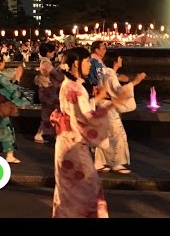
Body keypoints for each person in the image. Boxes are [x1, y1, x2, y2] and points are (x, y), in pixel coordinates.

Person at [52, 47, 125, 218]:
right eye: (86, 61)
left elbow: (77, 110)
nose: (89, 65)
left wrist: (99, 98)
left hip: (64, 144)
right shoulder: (76, 88)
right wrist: (113, 105)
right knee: (89, 189)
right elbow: (86, 117)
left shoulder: (68, 84)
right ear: (76, 63)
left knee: (68, 191)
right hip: (74, 146)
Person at [94, 51, 146, 174]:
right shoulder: (111, 76)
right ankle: (116, 163)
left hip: (102, 106)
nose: (121, 60)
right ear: (114, 62)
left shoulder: (106, 74)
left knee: (104, 134)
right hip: (108, 108)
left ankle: (100, 162)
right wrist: (135, 82)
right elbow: (119, 91)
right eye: (119, 58)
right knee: (117, 134)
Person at [0, 55, 30, 164]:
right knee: (7, 129)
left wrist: (13, 79)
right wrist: (18, 78)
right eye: (3, 62)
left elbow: (1, 87)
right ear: (0, 63)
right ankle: (9, 155)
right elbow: (11, 90)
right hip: (1, 106)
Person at [33, 42, 63, 144]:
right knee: (53, 112)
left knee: (47, 113)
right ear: (48, 52)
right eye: (52, 51)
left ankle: (44, 134)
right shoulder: (46, 64)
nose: (54, 53)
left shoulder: (44, 62)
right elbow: (56, 76)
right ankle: (43, 133)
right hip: (48, 92)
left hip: (45, 91)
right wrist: (62, 68)